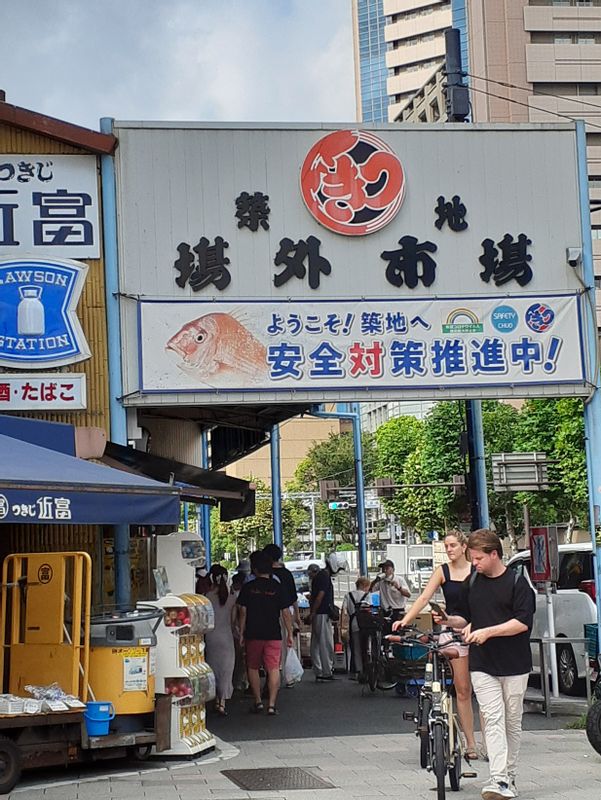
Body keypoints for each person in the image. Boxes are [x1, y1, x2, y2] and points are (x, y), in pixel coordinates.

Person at [440, 529, 535, 800]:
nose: (475, 563)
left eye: (479, 558)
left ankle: (510, 774)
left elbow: (522, 622)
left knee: (512, 722)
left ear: (494, 554)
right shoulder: (472, 582)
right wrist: (449, 621)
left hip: (515, 664)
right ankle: (498, 778)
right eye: (473, 558)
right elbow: (465, 617)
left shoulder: (518, 584)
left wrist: (487, 632)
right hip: (482, 663)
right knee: (493, 719)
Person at [392, 530, 480, 759]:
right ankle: (470, 743)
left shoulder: (476, 571)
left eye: (452, 545)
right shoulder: (442, 571)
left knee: (480, 689)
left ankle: (485, 740)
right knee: (462, 689)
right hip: (453, 632)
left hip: (478, 630)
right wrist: (405, 620)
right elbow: (423, 598)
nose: (449, 550)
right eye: (446, 546)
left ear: (463, 547)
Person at [237, 550, 293, 715]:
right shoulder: (277, 587)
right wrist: (290, 633)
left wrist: (241, 632)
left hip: (253, 633)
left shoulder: (248, 588)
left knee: (253, 667)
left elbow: (242, 611)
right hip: (273, 633)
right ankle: (272, 704)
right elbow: (285, 612)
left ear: (254, 570)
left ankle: (258, 702)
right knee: (273, 668)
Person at [263, 544, 302, 684]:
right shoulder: (286, 574)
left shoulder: (265, 573)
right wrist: (297, 616)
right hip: (286, 612)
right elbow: (293, 598)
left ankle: (272, 676)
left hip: (268, 613)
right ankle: (288, 677)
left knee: (269, 646)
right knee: (286, 644)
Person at [307, 553, 346, 682]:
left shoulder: (320, 576)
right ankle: (327, 670)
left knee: (316, 643)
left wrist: (312, 612)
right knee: (325, 643)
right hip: (323, 613)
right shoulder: (324, 577)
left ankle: (319, 670)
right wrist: (314, 612)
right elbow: (320, 596)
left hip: (319, 613)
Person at [203, 564, 236, 715]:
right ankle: (222, 702)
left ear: (211, 578)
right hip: (227, 637)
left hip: (210, 637)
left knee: (212, 669)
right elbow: (234, 619)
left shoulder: (206, 598)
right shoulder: (231, 598)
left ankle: (214, 698)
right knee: (226, 670)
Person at [341, 576, 371, 679]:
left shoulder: (348, 595)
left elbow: (344, 610)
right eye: (368, 586)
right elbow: (369, 608)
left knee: (356, 648)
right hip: (365, 624)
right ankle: (367, 670)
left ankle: (358, 671)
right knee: (366, 647)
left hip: (353, 624)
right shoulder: (367, 595)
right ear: (364, 586)